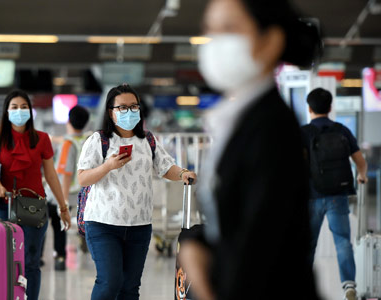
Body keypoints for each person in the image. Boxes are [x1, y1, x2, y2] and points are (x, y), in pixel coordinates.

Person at [177, 0, 322, 299]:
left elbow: (261, 246)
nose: (215, 41)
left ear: (270, 41)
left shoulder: (271, 127)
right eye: (209, 29)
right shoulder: (240, 121)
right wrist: (198, 245)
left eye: (229, 28)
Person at [76, 84, 197, 300]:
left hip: (139, 225)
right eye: (122, 108)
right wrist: (108, 166)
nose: (129, 112)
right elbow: (83, 178)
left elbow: (165, 167)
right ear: (110, 111)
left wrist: (182, 173)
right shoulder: (99, 140)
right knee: (109, 282)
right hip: (103, 224)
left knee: (130, 288)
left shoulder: (148, 140)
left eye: (134, 107)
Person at [0, 89, 72, 300]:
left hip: (34, 207)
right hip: (5, 206)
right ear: (6, 111)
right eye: (14, 107)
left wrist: (63, 207)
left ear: (31, 112)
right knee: (4, 260)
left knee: (31, 261)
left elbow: (51, 175)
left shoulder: (41, 139)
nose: (19, 111)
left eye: (24, 107)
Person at [301, 88, 367, 300]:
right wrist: (361, 176)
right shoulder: (342, 130)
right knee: (342, 241)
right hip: (338, 194)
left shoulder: (304, 133)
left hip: (311, 195)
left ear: (309, 108)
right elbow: (360, 161)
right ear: (330, 108)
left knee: (308, 243)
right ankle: (349, 286)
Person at [42, 105, 91, 270]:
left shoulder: (67, 145)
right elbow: (63, 139)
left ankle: (54, 257)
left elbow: (65, 173)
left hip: (58, 194)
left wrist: (61, 201)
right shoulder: (84, 140)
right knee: (60, 226)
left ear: (68, 121)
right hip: (75, 193)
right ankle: (61, 255)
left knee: (48, 223)